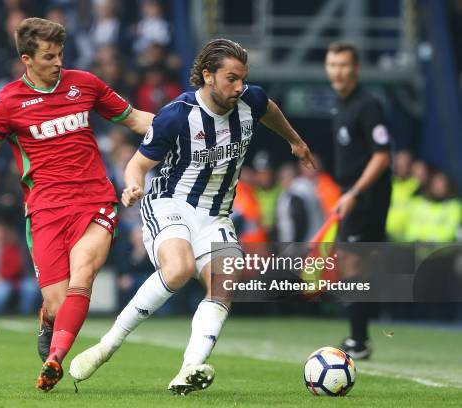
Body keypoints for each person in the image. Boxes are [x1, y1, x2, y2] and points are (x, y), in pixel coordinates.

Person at [0, 17, 153, 392]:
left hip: (95, 200)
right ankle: (48, 319)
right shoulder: (9, 102)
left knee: (84, 275)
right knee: (59, 305)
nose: (58, 62)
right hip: (45, 210)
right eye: (49, 56)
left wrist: (183, 126)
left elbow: (137, 119)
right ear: (26, 59)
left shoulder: (86, 84)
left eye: (60, 54)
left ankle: (55, 359)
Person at [69, 38, 315, 394]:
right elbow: (137, 164)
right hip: (171, 203)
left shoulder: (251, 99)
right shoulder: (178, 114)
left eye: (243, 78)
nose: (239, 87)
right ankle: (107, 346)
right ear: (207, 76)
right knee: (179, 268)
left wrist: (295, 140)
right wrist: (132, 186)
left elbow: (270, 109)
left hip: (215, 214)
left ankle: (189, 368)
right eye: (231, 78)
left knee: (225, 282)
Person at [324, 42, 392, 359]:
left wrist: (353, 193)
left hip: (366, 195)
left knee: (353, 262)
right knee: (354, 262)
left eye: (344, 64)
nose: (338, 71)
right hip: (351, 192)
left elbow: (381, 157)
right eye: (333, 64)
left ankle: (359, 339)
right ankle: (359, 336)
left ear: (356, 68)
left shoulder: (367, 104)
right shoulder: (341, 104)